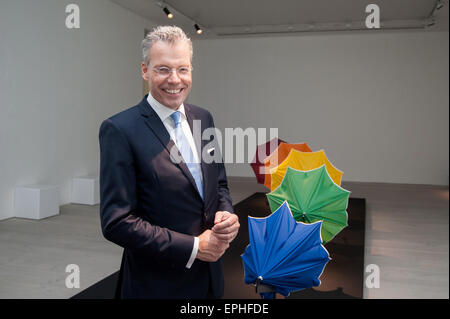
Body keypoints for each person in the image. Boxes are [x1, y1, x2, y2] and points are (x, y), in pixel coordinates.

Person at [98, 26, 239, 299]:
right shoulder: (119, 129)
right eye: (163, 69)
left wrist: (227, 214)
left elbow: (218, 184)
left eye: (182, 69)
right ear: (144, 70)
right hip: (156, 285)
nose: (175, 79)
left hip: (210, 279)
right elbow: (117, 222)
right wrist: (195, 247)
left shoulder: (203, 118)